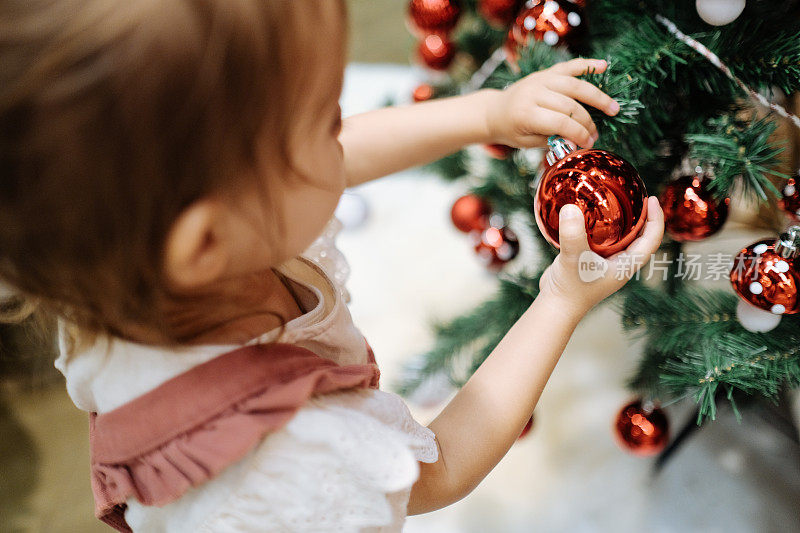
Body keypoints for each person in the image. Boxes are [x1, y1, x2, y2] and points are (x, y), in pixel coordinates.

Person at [0, 2, 663, 531]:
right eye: (323, 119)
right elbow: (442, 467)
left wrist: (486, 111)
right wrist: (559, 298)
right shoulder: (295, 465)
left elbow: (334, 160)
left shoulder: (131, 256)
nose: (340, 135)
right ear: (204, 242)